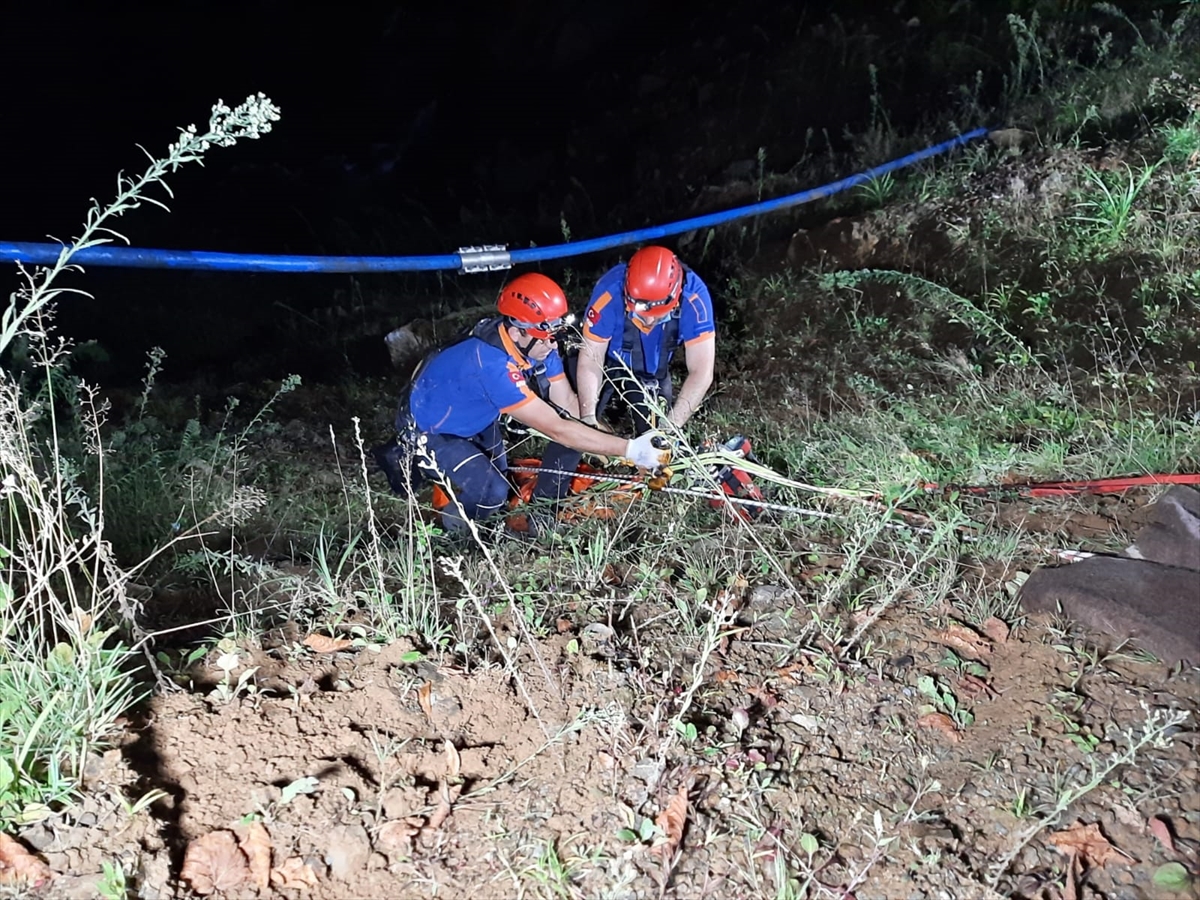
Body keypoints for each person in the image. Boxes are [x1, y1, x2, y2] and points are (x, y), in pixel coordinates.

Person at [374, 272, 670, 534]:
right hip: (432, 429)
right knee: (492, 492)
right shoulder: (492, 365)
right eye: (546, 338)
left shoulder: (536, 342)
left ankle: (489, 512)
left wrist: (599, 436)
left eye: (555, 336)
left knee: (498, 481)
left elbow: (565, 402)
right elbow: (557, 429)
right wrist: (630, 449)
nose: (553, 346)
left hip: (474, 413)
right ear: (517, 331)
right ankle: (456, 533)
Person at [534, 247, 715, 500]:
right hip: (607, 362)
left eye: (654, 317)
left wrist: (669, 429)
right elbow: (590, 360)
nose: (647, 323)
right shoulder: (610, 293)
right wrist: (587, 420)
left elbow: (701, 372)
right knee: (572, 431)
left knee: (658, 449)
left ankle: (651, 504)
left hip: (652, 372)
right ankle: (545, 504)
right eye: (639, 315)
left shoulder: (694, 298)